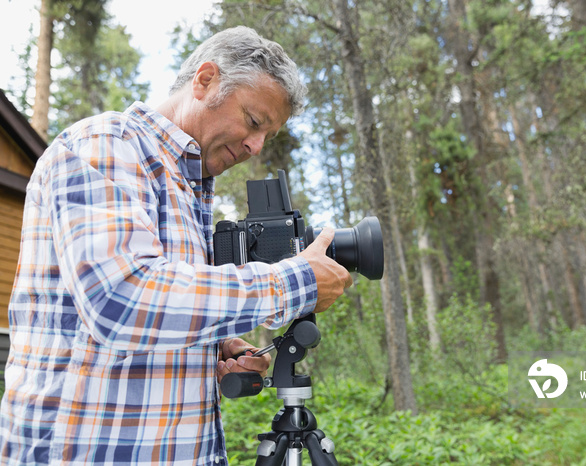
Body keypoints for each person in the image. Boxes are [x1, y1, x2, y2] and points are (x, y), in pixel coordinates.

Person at [0, 26, 352, 465]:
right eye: (253, 122)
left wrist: (212, 345)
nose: (255, 146)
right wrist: (294, 281)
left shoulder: (190, 190)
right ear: (204, 80)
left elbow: (153, 304)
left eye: (267, 136)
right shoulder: (108, 144)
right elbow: (121, 299)